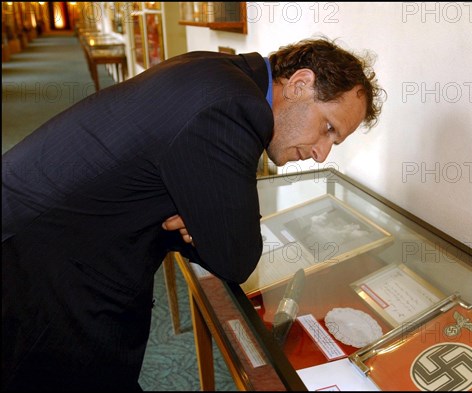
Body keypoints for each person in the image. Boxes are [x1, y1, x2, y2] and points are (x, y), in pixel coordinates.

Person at [2, 36, 385, 390]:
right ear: (300, 83)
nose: (322, 152)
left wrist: (205, 217)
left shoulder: (220, 73)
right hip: (45, 269)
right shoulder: (235, 108)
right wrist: (209, 220)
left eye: (335, 140)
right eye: (327, 128)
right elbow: (237, 257)